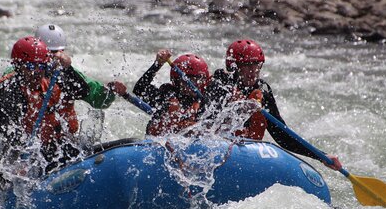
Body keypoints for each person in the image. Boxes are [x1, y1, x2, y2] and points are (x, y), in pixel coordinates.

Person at [205, 39, 342, 170]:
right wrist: (239, 108)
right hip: (217, 150)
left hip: (245, 154)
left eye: (257, 65)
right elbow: (207, 125)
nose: (253, 71)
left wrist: (320, 155)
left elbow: (282, 135)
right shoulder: (219, 85)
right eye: (247, 66)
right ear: (234, 67)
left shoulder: (262, 91)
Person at [0, 36, 89, 173]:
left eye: (41, 66)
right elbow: (9, 134)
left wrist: (67, 68)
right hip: (27, 154)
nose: (36, 72)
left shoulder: (53, 76)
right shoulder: (8, 92)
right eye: (30, 66)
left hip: (57, 146)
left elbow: (82, 91)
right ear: (18, 66)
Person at [35, 24, 123, 109]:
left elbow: (96, 99)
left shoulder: (67, 74)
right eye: (49, 52)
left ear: (62, 51)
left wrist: (109, 91)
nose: (53, 57)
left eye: (56, 52)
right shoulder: (26, 71)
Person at [133, 49, 210, 136]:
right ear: (177, 80)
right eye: (189, 80)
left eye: (198, 80)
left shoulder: (205, 103)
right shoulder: (167, 95)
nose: (194, 84)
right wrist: (157, 65)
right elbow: (139, 89)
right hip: (158, 144)